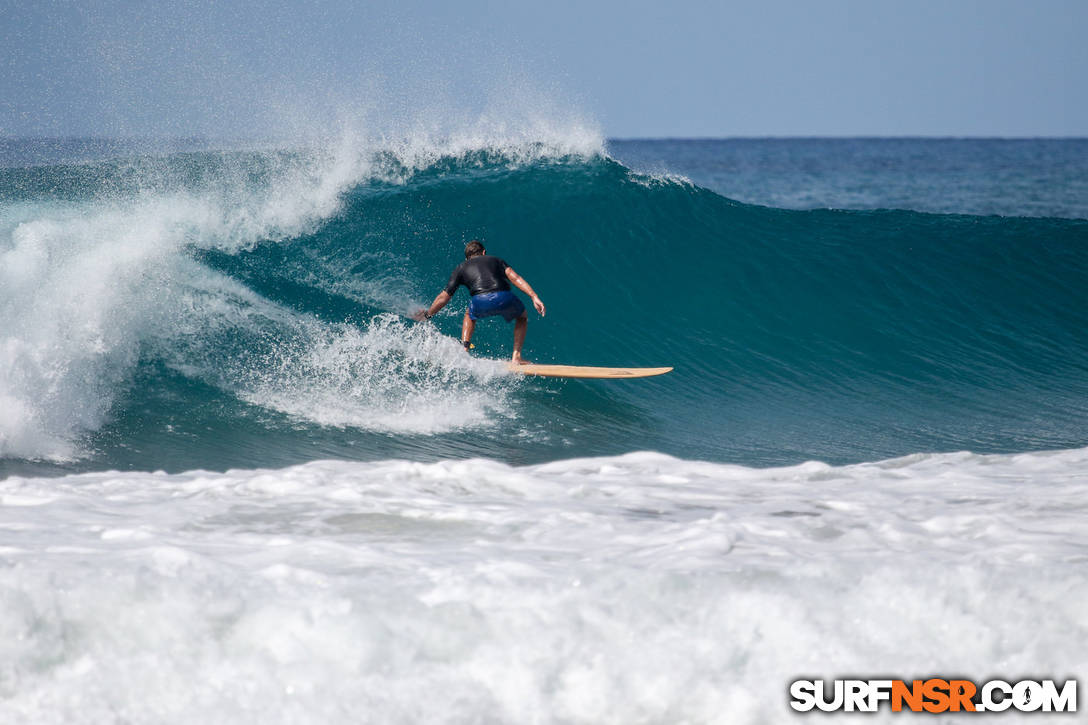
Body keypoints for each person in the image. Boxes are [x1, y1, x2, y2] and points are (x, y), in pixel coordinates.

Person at [414, 240, 545, 364]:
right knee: (522, 317)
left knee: (469, 315)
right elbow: (515, 278)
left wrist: (428, 315)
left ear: (467, 258)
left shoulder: (461, 267)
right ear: (483, 252)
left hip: (480, 301)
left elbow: (444, 297)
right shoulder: (496, 260)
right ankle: (516, 356)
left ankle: (464, 349)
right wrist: (534, 296)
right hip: (504, 297)